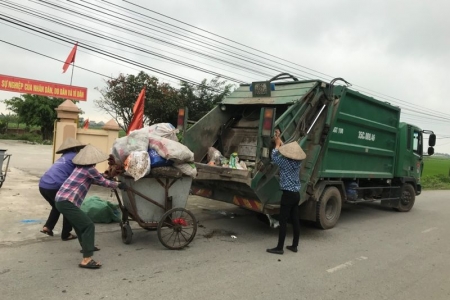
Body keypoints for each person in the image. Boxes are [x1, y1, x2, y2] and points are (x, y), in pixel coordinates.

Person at [55, 144, 127, 269]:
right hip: (66, 201)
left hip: (61, 200)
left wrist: (108, 178)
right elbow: (102, 181)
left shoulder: (80, 168)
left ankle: (86, 247)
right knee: (88, 225)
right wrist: (118, 185)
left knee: (79, 225)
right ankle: (86, 259)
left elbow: (96, 179)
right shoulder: (90, 170)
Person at [267, 129, 306, 255]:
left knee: (283, 221)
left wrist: (277, 145)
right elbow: (286, 151)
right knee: (295, 220)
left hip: (288, 195)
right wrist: (279, 139)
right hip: (296, 194)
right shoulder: (297, 162)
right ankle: (294, 245)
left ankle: (279, 248)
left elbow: (273, 155)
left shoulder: (284, 163)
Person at [39, 137, 85, 240]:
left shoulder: (63, 157)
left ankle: (48, 227)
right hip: (55, 186)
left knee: (57, 206)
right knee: (68, 208)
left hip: (43, 185)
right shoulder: (76, 157)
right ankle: (66, 234)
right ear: (76, 148)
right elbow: (83, 172)